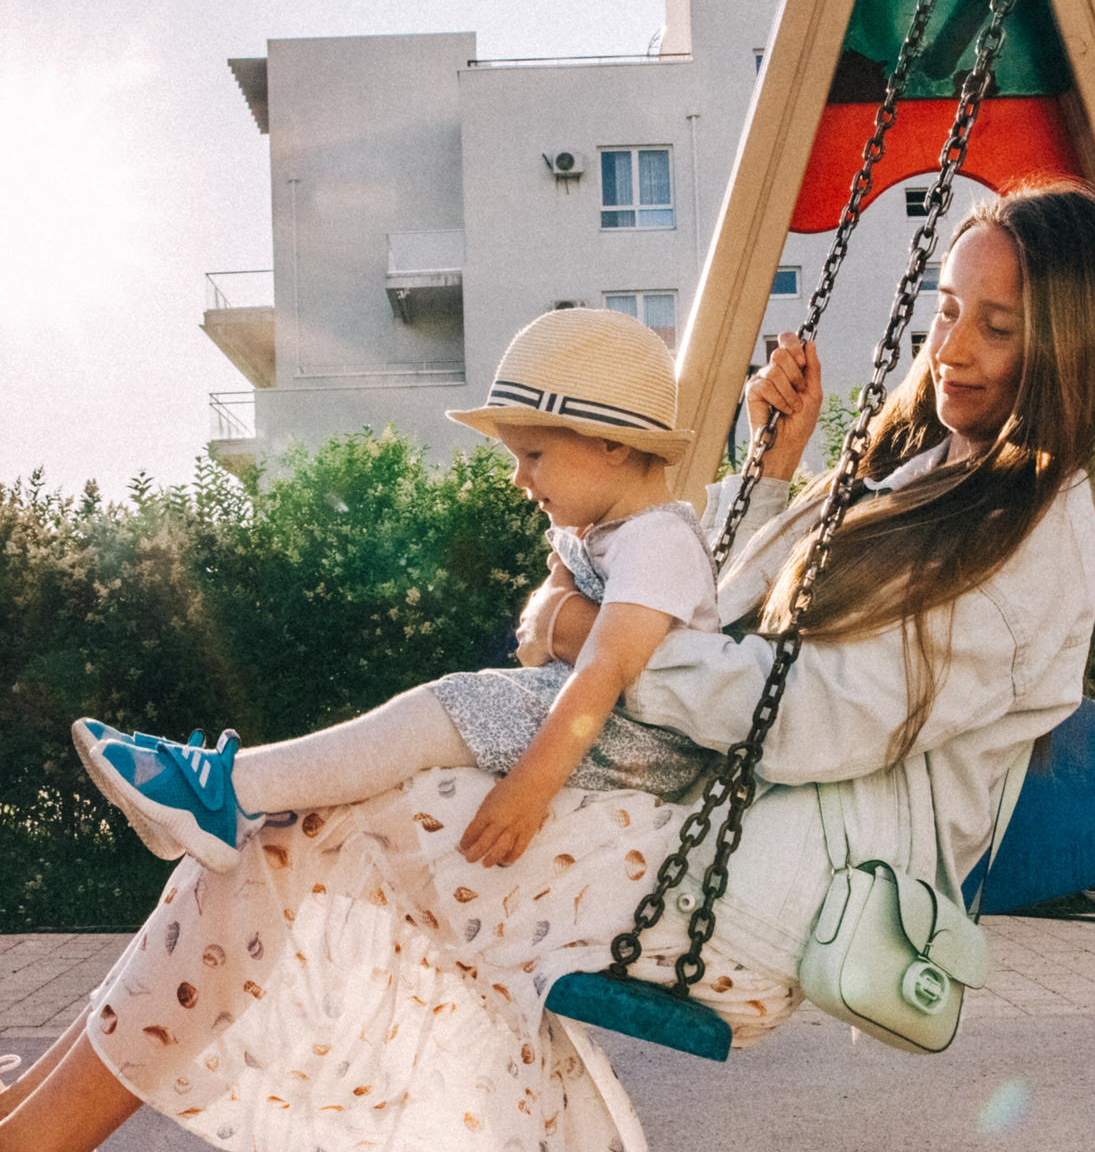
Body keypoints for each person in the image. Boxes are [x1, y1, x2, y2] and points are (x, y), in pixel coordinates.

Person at [0, 182, 1095, 1152]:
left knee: (297, 830)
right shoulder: (948, 466)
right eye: (948, 310)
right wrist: (766, 472)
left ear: (1068, 342)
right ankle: (13, 1136)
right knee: (301, 824)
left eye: (997, 326)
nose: (951, 346)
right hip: (745, 823)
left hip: (788, 884)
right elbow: (750, 602)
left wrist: (614, 654)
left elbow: (814, 716)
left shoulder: (1035, 525)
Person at [68, 306, 727, 877]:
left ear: (612, 443)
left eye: (533, 455)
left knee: (431, 716)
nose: (517, 478)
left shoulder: (657, 541)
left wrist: (530, 787)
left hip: (644, 748)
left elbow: (607, 666)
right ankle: (209, 800)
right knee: (434, 722)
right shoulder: (599, 534)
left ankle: (225, 791)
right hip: (598, 726)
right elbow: (541, 629)